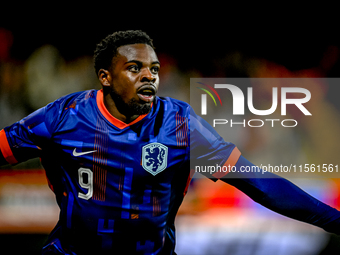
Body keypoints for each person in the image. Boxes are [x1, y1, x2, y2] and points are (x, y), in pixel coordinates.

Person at [0, 30, 339, 255]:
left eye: (154, 69)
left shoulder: (180, 124)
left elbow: (258, 182)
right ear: (104, 76)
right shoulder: (63, 117)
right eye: (135, 68)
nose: (149, 76)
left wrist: (333, 219)